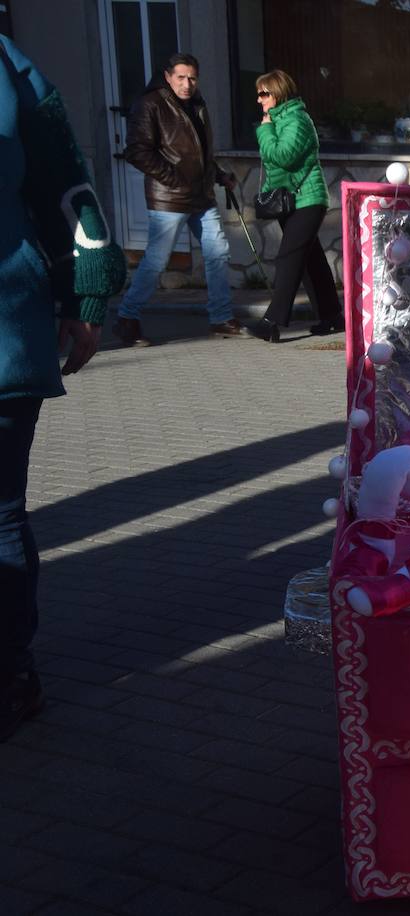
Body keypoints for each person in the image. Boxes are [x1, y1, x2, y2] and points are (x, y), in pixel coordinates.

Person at [1, 35, 126, 739]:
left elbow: (68, 186)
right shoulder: (12, 67)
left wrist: (86, 295)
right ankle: (12, 675)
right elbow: (68, 187)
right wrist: (84, 299)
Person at [117, 52, 245, 344]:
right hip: (169, 199)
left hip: (201, 196)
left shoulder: (197, 104)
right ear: (168, 76)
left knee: (218, 252)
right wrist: (173, 179)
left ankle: (221, 318)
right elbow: (137, 151)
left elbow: (199, 152)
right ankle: (127, 318)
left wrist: (218, 174)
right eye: (181, 77)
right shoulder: (150, 104)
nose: (187, 84)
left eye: (192, 78)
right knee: (157, 260)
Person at [246, 69, 342, 343]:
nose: (259, 100)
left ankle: (272, 321)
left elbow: (283, 156)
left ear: (278, 92)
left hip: (307, 200)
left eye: (264, 93)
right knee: (311, 261)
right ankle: (332, 316)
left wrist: (264, 131)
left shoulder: (296, 120)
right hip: (292, 201)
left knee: (289, 258)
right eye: (258, 94)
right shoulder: (280, 120)